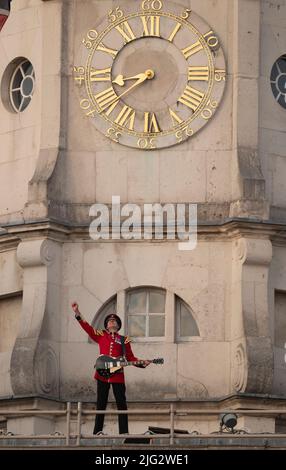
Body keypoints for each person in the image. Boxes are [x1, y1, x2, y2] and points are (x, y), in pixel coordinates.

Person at [71, 302, 150, 435]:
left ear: (118, 325)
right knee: (101, 403)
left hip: (118, 375)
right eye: (109, 321)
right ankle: (98, 431)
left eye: (114, 321)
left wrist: (142, 362)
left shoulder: (125, 340)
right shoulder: (101, 334)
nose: (112, 323)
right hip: (102, 374)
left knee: (121, 403)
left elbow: (130, 357)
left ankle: (124, 433)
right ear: (106, 325)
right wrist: (78, 314)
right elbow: (88, 328)